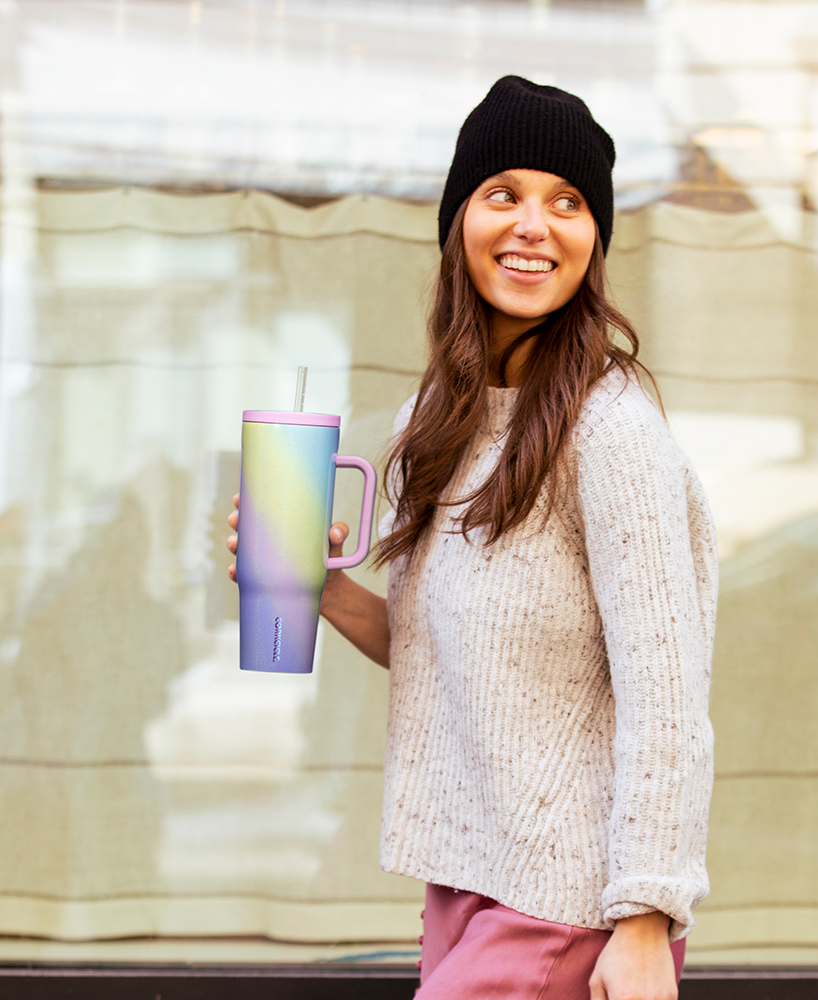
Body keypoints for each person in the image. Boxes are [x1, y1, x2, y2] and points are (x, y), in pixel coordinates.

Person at [229, 76, 717, 1000]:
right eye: (505, 195)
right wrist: (316, 584)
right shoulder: (440, 416)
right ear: (459, 222)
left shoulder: (610, 430)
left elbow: (668, 697)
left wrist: (647, 916)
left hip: (568, 896)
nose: (535, 224)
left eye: (567, 204)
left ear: (594, 243)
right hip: (466, 879)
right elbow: (434, 645)